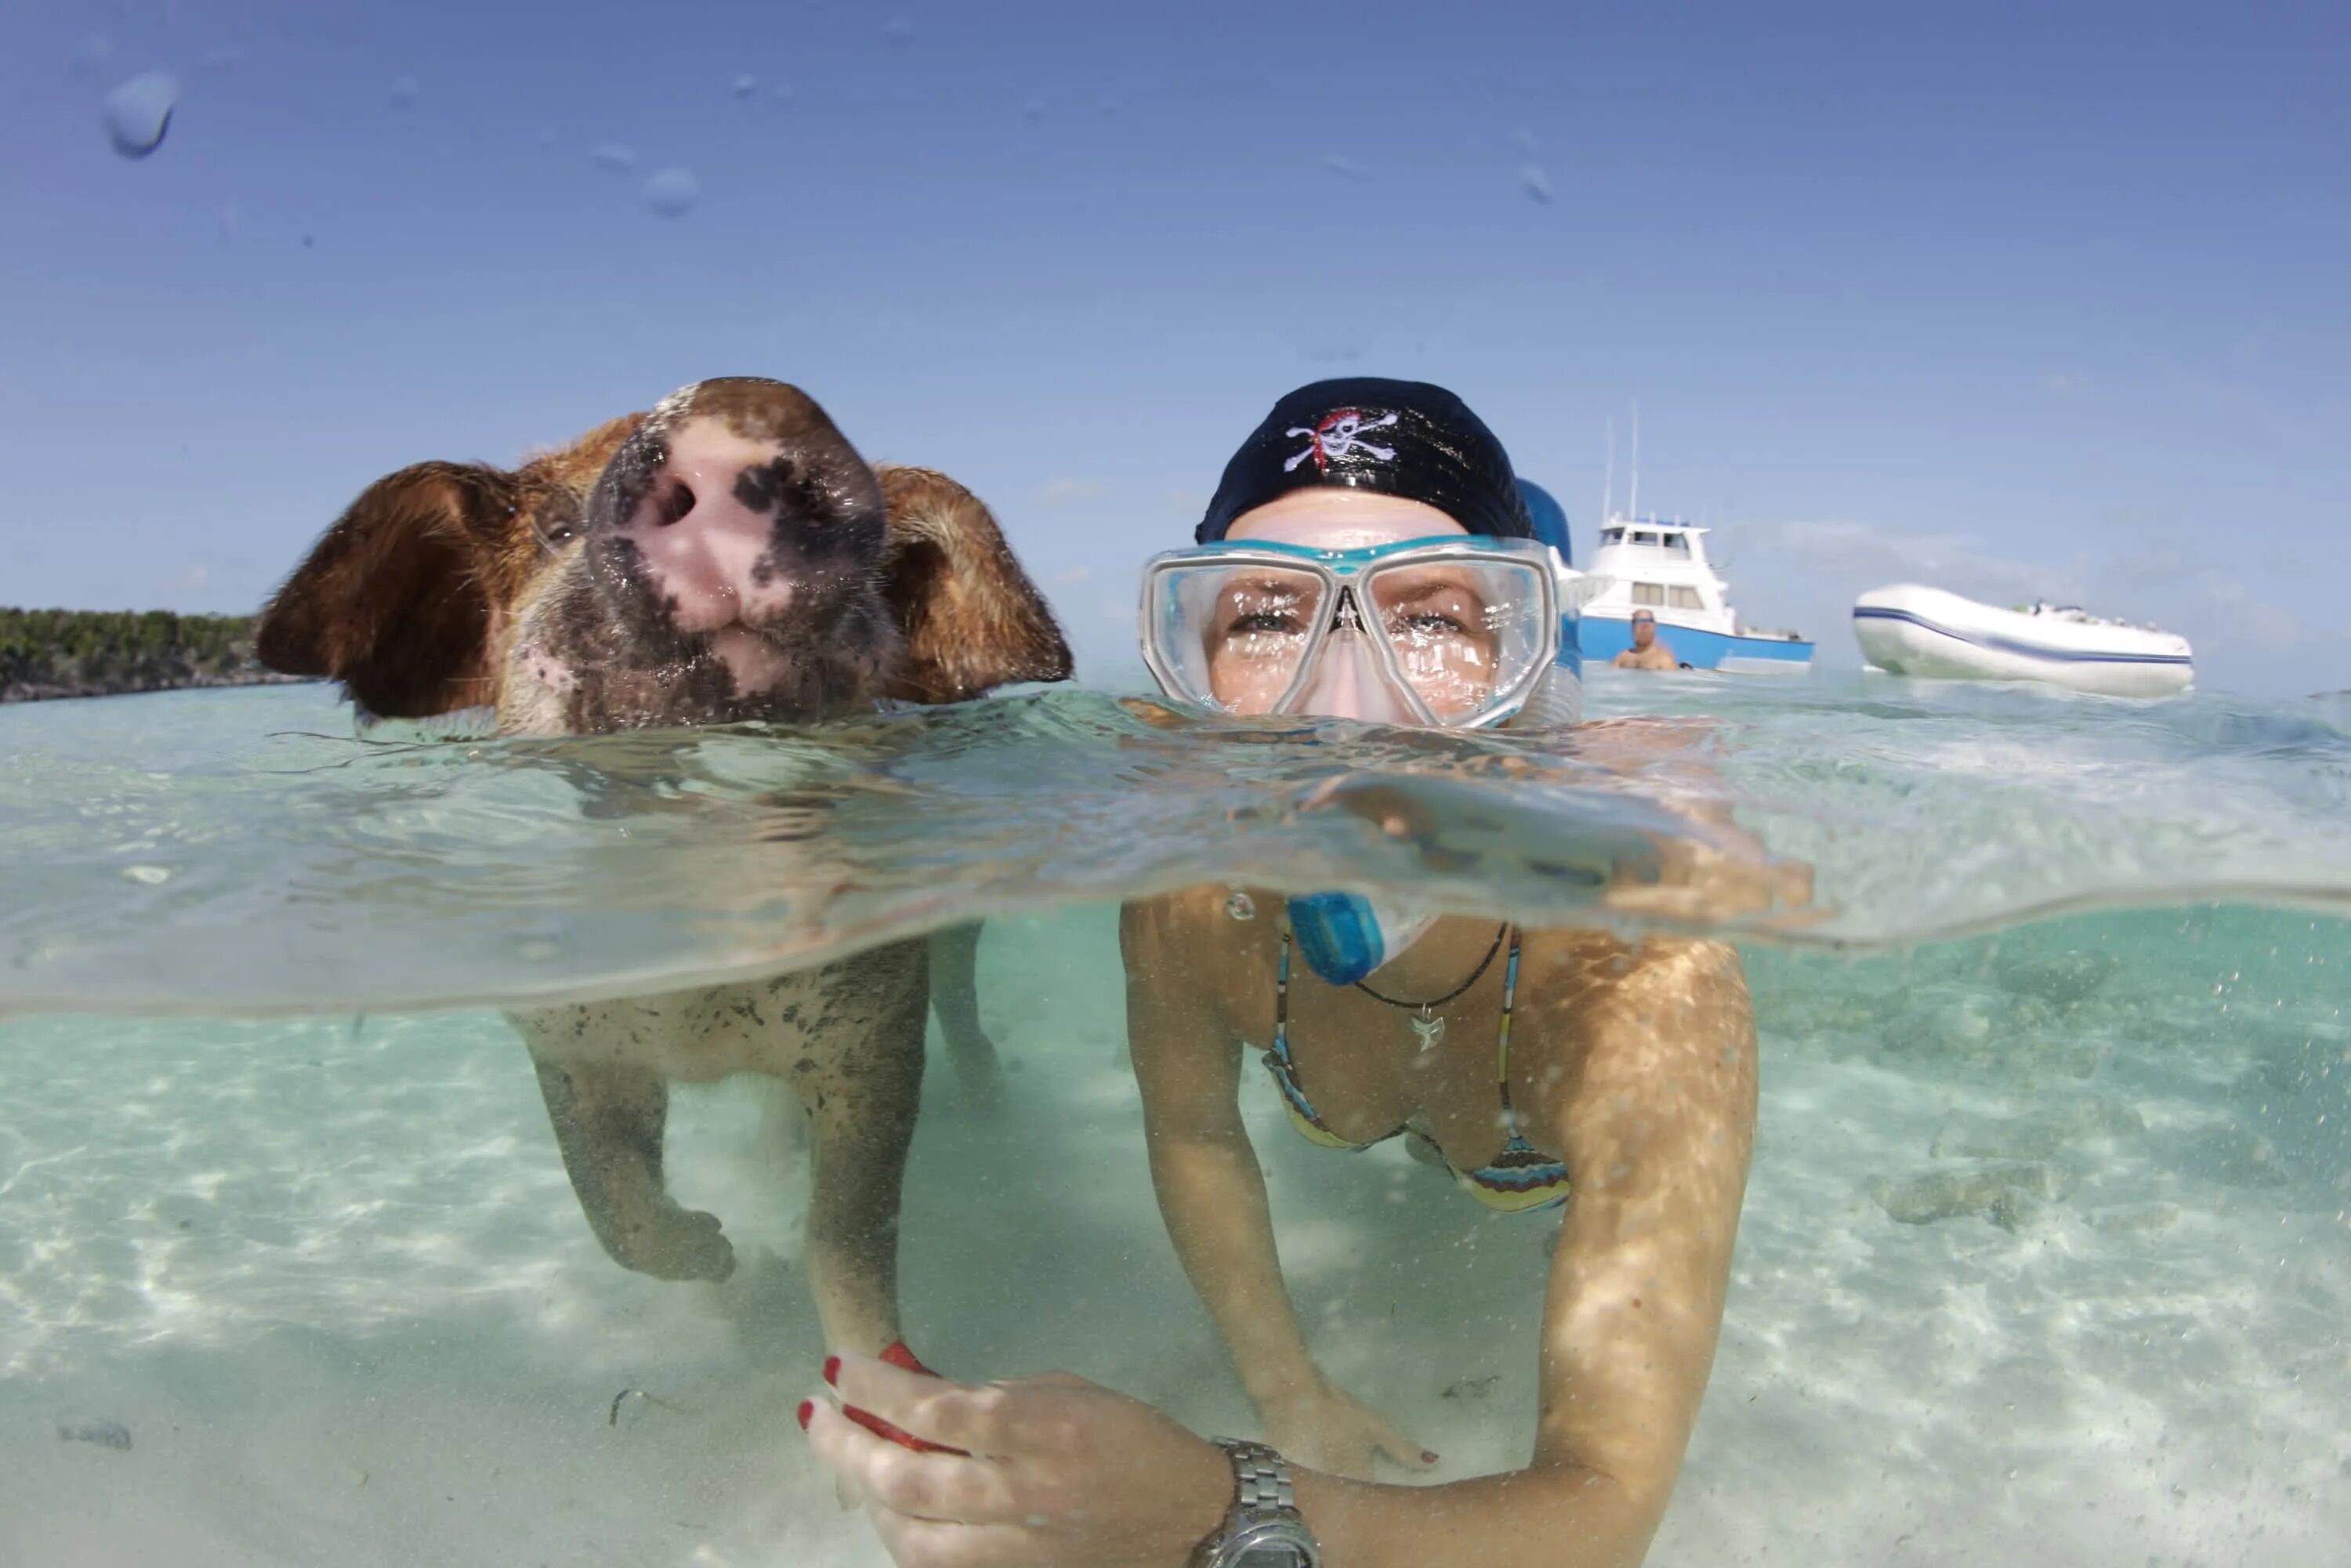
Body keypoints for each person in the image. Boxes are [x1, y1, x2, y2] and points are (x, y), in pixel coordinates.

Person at [802, 378, 1793, 1568]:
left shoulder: (1646, 966)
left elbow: (1604, 1517)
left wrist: (1222, 1507)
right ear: (1188, 657)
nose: (1340, 711)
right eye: (1267, 619)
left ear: (1527, 666)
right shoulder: (1187, 891)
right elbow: (1198, 1135)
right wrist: (1288, 1400)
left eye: (1430, 617)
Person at [1613, 607, 1681, 670]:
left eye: (1647, 627)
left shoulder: (1664, 660)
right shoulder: (1622, 658)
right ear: (1632, 628)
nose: (1644, 631)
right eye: (1640, 626)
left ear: (1654, 628)